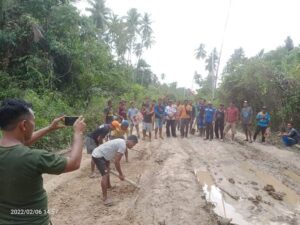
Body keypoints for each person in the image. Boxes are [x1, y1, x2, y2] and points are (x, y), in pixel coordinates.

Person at [0, 99, 86, 225]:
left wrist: (50, 128)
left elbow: (19, 144)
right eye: (33, 121)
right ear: (24, 125)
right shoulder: (34, 157)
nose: (34, 124)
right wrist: (78, 133)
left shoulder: (11, 150)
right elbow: (74, 163)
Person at [92, 135, 138, 206]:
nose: (132, 147)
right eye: (133, 144)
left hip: (104, 155)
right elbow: (117, 162)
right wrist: (120, 174)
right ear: (130, 141)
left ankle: (108, 186)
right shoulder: (123, 145)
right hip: (99, 156)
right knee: (105, 175)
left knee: (107, 170)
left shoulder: (122, 142)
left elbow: (114, 156)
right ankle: (105, 199)